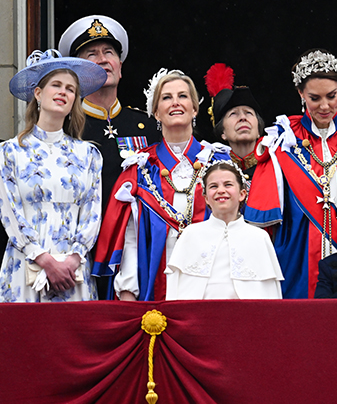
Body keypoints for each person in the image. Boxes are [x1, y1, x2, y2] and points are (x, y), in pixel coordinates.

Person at [245, 49, 337, 299]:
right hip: (299, 251)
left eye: (331, 96)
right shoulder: (284, 140)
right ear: (301, 94)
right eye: (315, 98)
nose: (325, 106)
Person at [92, 69, 230, 301]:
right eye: (166, 97)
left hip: (212, 289)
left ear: (195, 108)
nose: (175, 102)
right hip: (154, 287)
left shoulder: (219, 163)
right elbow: (130, 240)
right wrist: (128, 291)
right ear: (155, 112)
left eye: (183, 96)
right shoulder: (138, 169)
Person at [0, 49, 106, 302]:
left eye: (70, 89)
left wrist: (73, 259)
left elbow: (92, 211)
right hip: (26, 266)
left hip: (74, 271)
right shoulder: (10, 152)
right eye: (56, 85)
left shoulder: (88, 155)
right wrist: (43, 258)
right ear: (38, 93)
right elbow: (9, 212)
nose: (63, 92)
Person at [58, 15, 160, 209]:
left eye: (109, 52)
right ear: (77, 72)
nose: (103, 59)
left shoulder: (148, 126)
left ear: (120, 68)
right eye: (92, 54)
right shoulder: (64, 127)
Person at [165, 161, 283, 299]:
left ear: (242, 194)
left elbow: (270, 294)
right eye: (213, 186)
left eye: (228, 185)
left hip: (247, 318)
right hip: (199, 317)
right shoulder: (190, 234)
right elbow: (175, 290)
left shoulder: (259, 237)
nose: (221, 190)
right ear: (206, 198)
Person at [205, 63, 265, 178]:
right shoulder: (211, 171)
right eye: (233, 114)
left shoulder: (276, 166)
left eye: (248, 113)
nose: (243, 118)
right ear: (223, 132)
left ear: (258, 130)